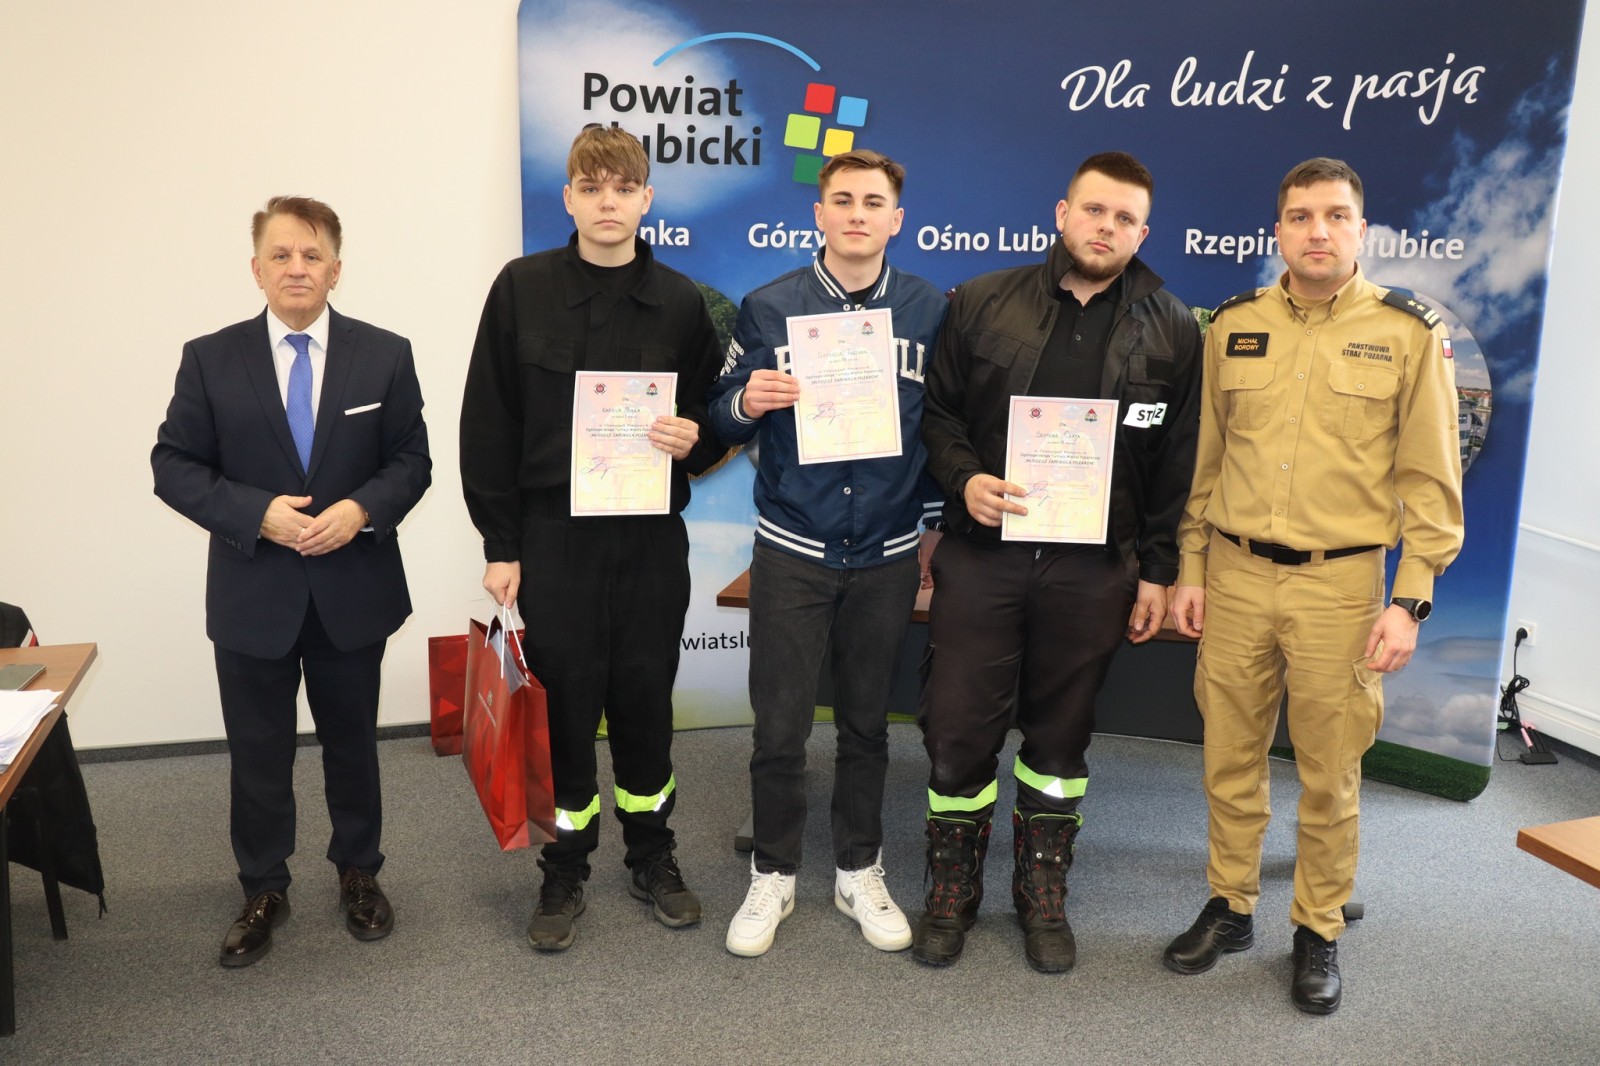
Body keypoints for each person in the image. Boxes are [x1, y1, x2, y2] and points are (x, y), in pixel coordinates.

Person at [1162, 158, 1464, 1015]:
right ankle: (1231, 906)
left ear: (1361, 229)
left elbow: (1430, 483)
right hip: (1235, 576)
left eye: (1335, 216)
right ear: (1279, 231)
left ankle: (1317, 924)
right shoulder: (1235, 325)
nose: (1317, 231)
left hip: (1341, 586)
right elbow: (1207, 459)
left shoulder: (1407, 333)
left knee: (1331, 772)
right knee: (1229, 756)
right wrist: (1191, 566)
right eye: (1300, 216)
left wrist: (1409, 601)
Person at [916, 151, 1202, 972]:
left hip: (1093, 570)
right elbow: (937, 414)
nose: (1106, 227)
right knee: (958, 731)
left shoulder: (1175, 328)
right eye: (1094, 210)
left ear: (1143, 232)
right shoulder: (981, 301)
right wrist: (964, 479)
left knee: (1062, 736)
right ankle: (952, 886)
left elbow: (1177, 463)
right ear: (1062, 213)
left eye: (1124, 218)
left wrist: (1158, 570)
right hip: (984, 557)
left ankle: (1041, 889)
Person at [459, 126, 725, 952]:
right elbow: (488, 423)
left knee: (645, 701)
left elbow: (710, 418)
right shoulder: (522, 288)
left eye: (623, 188)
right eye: (592, 187)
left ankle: (653, 854)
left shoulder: (682, 302)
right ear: (569, 197)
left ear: (647, 200)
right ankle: (563, 866)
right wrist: (500, 545)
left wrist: (697, 438)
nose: (608, 202)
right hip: (555, 538)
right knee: (565, 707)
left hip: (649, 539)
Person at [152, 196, 432, 967]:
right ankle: (263, 889)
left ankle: (359, 873)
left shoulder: (386, 354)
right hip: (253, 593)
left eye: (312, 256)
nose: (297, 268)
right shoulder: (210, 358)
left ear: (336, 269)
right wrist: (257, 515)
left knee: (354, 745)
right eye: (281, 255)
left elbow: (411, 461)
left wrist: (361, 510)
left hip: (353, 589)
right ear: (257, 269)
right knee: (258, 753)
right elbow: (172, 465)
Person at [707, 149, 947, 958]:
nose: (856, 214)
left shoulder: (928, 309)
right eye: (842, 200)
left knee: (867, 725)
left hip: (887, 553)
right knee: (779, 728)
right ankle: (773, 872)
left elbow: (943, 427)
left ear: (896, 219)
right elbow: (717, 415)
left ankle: (857, 868)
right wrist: (746, 400)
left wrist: (935, 527)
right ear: (819, 213)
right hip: (793, 550)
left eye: (873, 202)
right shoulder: (768, 306)